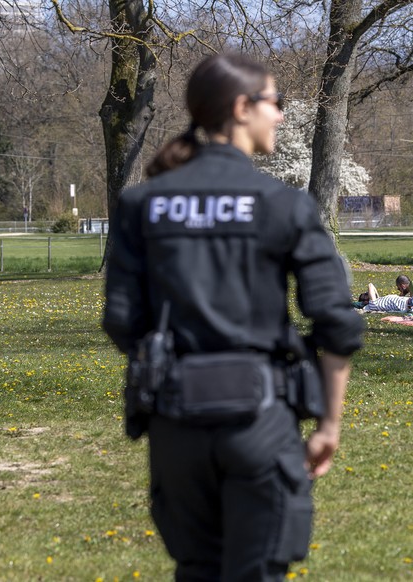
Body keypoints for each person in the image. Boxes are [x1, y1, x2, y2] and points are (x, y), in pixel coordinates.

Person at [102, 53, 364, 581]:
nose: (282, 116)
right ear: (242, 108)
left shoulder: (142, 204)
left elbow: (122, 319)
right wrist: (329, 423)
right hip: (259, 423)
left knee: (196, 570)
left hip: (176, 424)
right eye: (276, 103)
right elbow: (335, 319)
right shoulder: (283, 204)